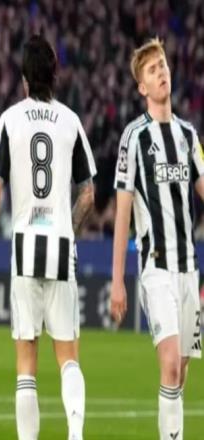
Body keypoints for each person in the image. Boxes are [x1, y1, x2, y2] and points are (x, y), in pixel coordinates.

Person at [0, 34, 96, 440]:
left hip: (24, 245)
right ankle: (75, 434)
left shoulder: (10, 120)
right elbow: (88, 194)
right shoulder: (71, 121)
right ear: (55, 73)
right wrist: (69, 230)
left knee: (26, 364)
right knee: (68, 355)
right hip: (60, 243)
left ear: (24, 77)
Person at [111, 37, 203, 440]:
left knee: (180, 372)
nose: (161, 72)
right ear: (142, 88)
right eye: (152, 70)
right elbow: (123, 211)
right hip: (156, 268)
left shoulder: (188, 135)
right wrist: (117, 279)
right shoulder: (134, 138)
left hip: (189, 270)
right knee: (168, 365)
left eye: (163, 64)